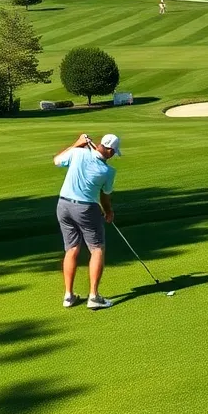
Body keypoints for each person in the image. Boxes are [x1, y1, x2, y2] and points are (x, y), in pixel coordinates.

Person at [53, 132, 121, 309]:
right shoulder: (108, 171)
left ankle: (68, 296)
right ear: (111, 152)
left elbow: (57, 160)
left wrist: (77, 143)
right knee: (97, 249)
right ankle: (94, 297)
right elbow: (105, 197)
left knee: (72, 249)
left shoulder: (78, 152)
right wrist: (109, 212)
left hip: (63, 205)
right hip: (86, 209)